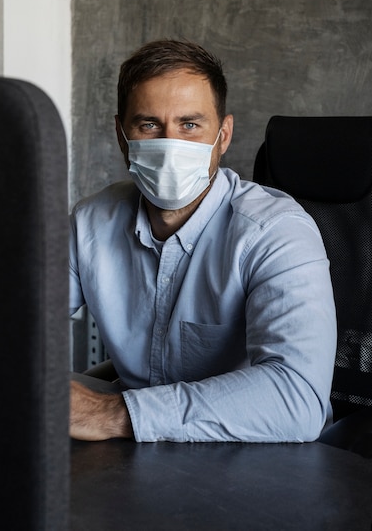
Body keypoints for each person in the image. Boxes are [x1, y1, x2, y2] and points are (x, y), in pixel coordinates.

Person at [69, 39, 337, 443]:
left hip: (255, 458)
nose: (170, 143)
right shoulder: (89, 222)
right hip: (130, 461)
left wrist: (113, 414)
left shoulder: (277, 231)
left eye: (190, 125)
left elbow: (296, 400)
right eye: (149, 125)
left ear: (223, 136)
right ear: (123, 137)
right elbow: (11, 327)